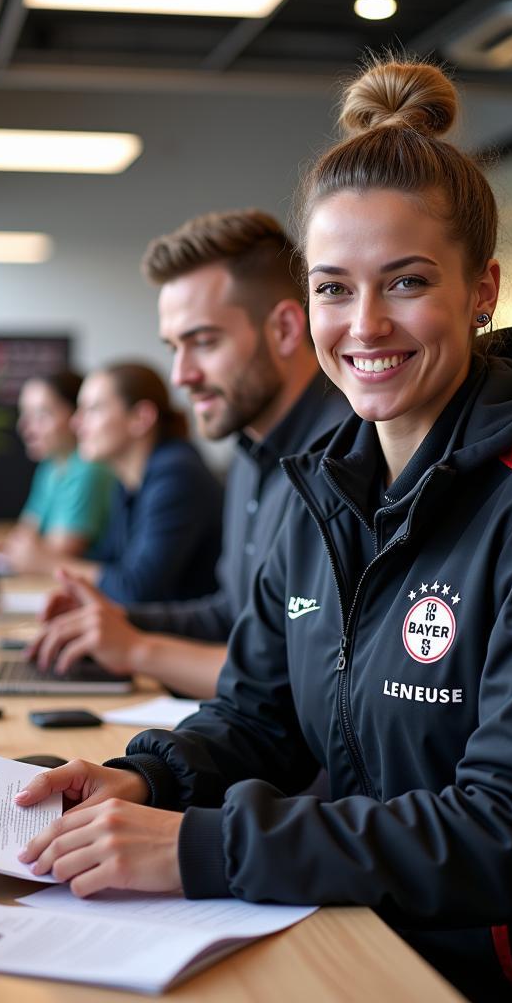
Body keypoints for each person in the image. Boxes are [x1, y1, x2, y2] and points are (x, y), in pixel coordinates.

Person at [16, 58, 512, 1002]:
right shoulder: (329, 488)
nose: (364, 325)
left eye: (405, 282)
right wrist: (147, 783)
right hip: (361, 930)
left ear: (482, 290)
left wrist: (201, 847)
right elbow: (261, 713)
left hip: (509, 981)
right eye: (333, 288)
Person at [31, 209, 351, 699]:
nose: (180, 375)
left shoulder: (348, 461)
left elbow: (303, 677)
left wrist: (138, 649)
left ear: (285, 329)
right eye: (173, 347)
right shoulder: (248, 452)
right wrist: (116, 619)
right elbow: (232, 614)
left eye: (203, 342)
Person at [22, 361, 224, 606]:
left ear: (141, 418)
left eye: (93, 410)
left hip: (184, 639)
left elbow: (135, 589)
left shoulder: (177, 475)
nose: (76, 423)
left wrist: (47, 563)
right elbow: (111, 564)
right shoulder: (129, 480)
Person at [0, 370, 115, 573]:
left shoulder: (88, 469)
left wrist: (29, 551)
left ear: (76, 416)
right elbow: (24, 537)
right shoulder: (50, 468)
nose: (25, 426)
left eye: (41, 414)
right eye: (24, 414)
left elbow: (54, 555)